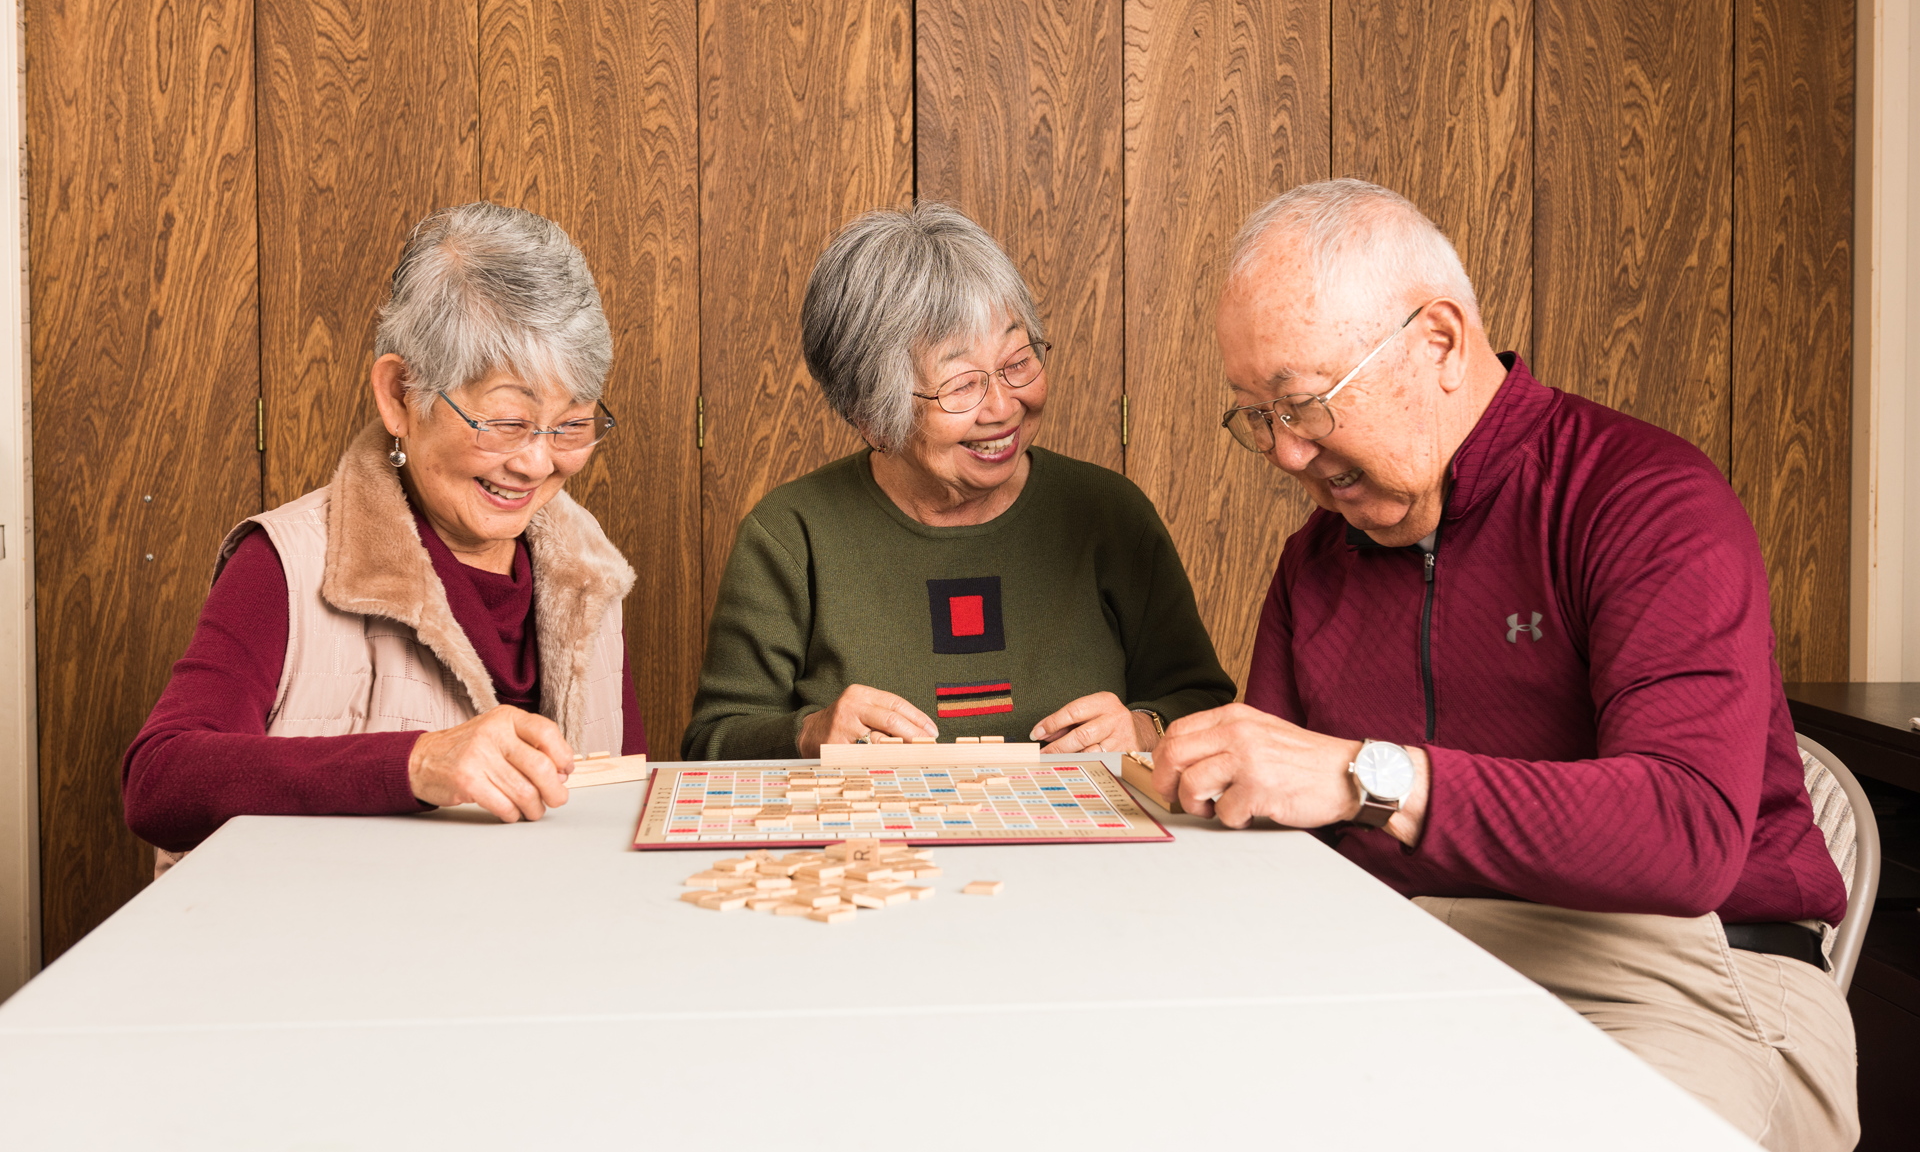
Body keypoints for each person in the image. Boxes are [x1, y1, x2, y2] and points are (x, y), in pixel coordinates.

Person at [1156, 179, 1856, 1151]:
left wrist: (1369, 776)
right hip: (1392, 966)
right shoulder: (1316, 561)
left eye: (1304, 404)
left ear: (1438, 342)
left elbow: (1685, 833)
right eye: (1255, 416)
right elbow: (1275, 832)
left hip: (1677, 973)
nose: (1283, 451)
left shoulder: (1646, 502)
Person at [123, 203, 641, 862]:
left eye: (571, 425)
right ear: (399, 394)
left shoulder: (588, 569)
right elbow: (159, 779)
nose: (538, 463)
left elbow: (616, 814)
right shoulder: (287, 562)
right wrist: (416, 762)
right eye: (507, 421)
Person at [686, 202, 1235, 761]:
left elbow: (1204, 702)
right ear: (872, 413)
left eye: (1018, 361)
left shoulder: (1109, 515)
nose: (1003, 406)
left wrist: (1144, 729)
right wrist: (807, 733)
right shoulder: (790, 536)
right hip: (876, 847)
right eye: (961, 384)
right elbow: (711, 741)